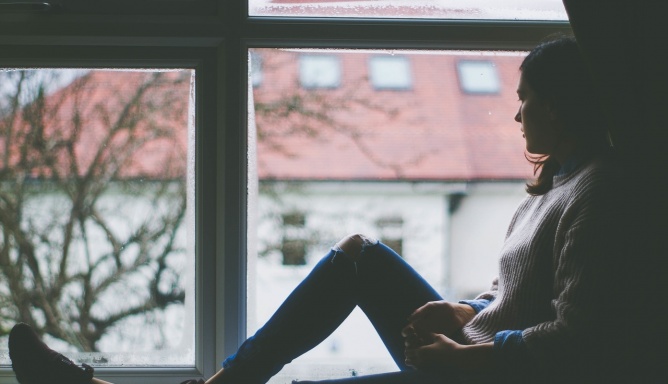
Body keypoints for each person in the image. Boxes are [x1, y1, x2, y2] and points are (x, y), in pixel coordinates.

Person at [8, 35, 617, 384]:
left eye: (526, 100)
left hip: (482, 375)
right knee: (358, 254)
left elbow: (581, 340)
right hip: (469, 348)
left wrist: (469, 355)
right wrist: (464, 308)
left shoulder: (596, 193)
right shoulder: (553, 186)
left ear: (560, 107)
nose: (516, 115)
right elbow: (514, 292)